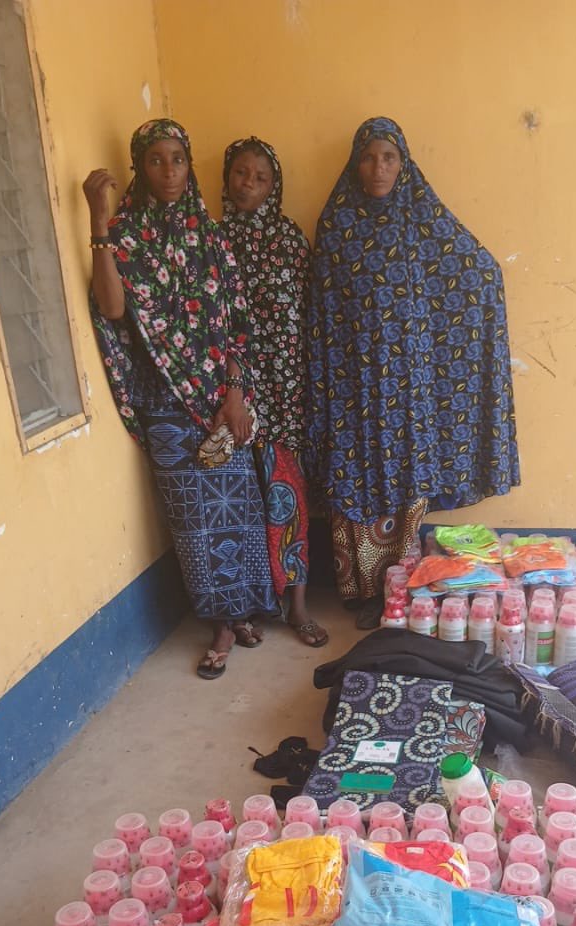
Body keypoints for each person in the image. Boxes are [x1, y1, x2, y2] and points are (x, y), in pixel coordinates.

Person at [307, 117, 521, 628]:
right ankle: (356, 589)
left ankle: (393, 588)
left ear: (404, 164)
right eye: (368, 156)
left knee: (405, 473)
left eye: (389, 157)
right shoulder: (337, 226)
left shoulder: (422, 221)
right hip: (350, 382)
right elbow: (320, 310)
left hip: (410, 385)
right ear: (354, 163)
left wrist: (485, 288)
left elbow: (478, 269)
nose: (378, 167)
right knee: (351, 476)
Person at [83, 119, 276, 679]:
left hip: (223, 404)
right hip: (167, 406)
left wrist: (235, 395)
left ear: (190, 166)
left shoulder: (209, 236)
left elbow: (238, 323)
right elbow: (114, 309)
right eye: (155, 160)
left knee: (238, 512)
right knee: (195, 521)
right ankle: (219, 624)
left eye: (178, 160)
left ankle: (239, 611)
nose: (169, 171)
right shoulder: (123, 234)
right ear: (138, 167)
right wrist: (98, 221)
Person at [220, 136, 328, 647]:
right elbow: (214, 328)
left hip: (287, 393)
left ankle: (297, 607)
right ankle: (244, 610)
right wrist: (234, 390)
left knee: (288, 496)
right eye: (242, 173)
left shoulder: (289, 240)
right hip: (234, 392)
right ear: (226, 177)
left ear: (274, 186)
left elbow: (309, 317)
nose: (250, 184)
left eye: (261, 177)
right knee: (240, 502)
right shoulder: (211, 242)